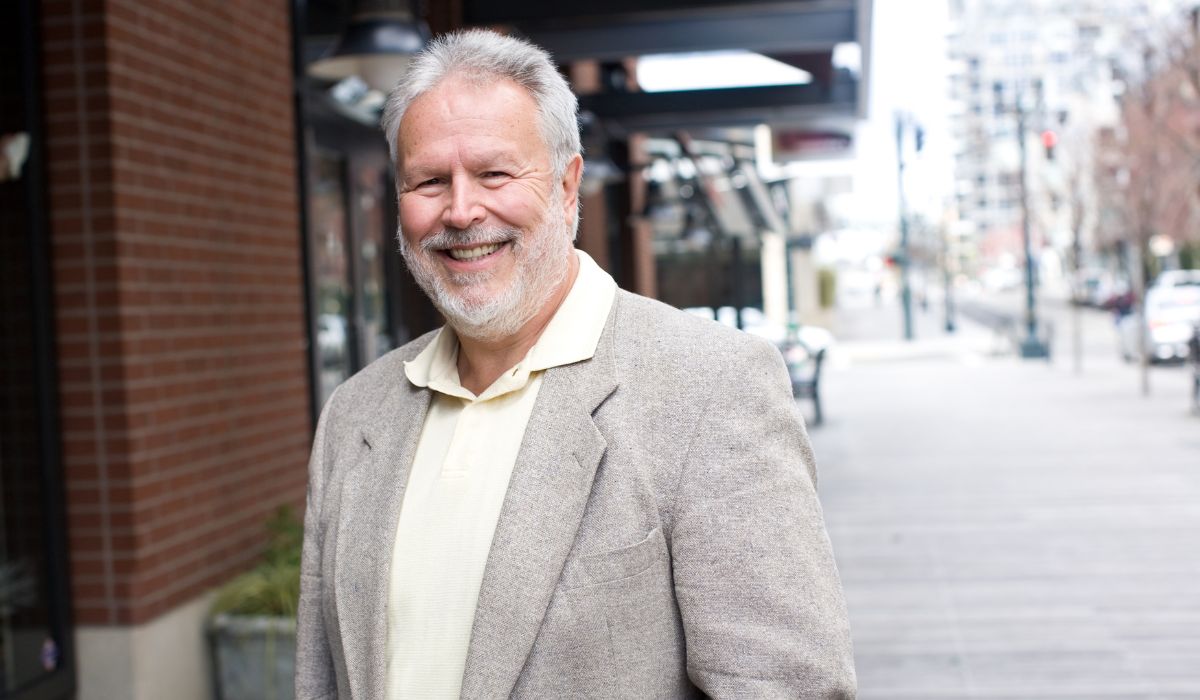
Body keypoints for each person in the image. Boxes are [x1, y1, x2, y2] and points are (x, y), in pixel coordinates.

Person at [295, 29, 855, 700]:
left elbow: (787, 688)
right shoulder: (356, 412)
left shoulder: (709, 387)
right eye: (429, 181)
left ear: (566, 186)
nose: (462, 209)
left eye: (495, 173)